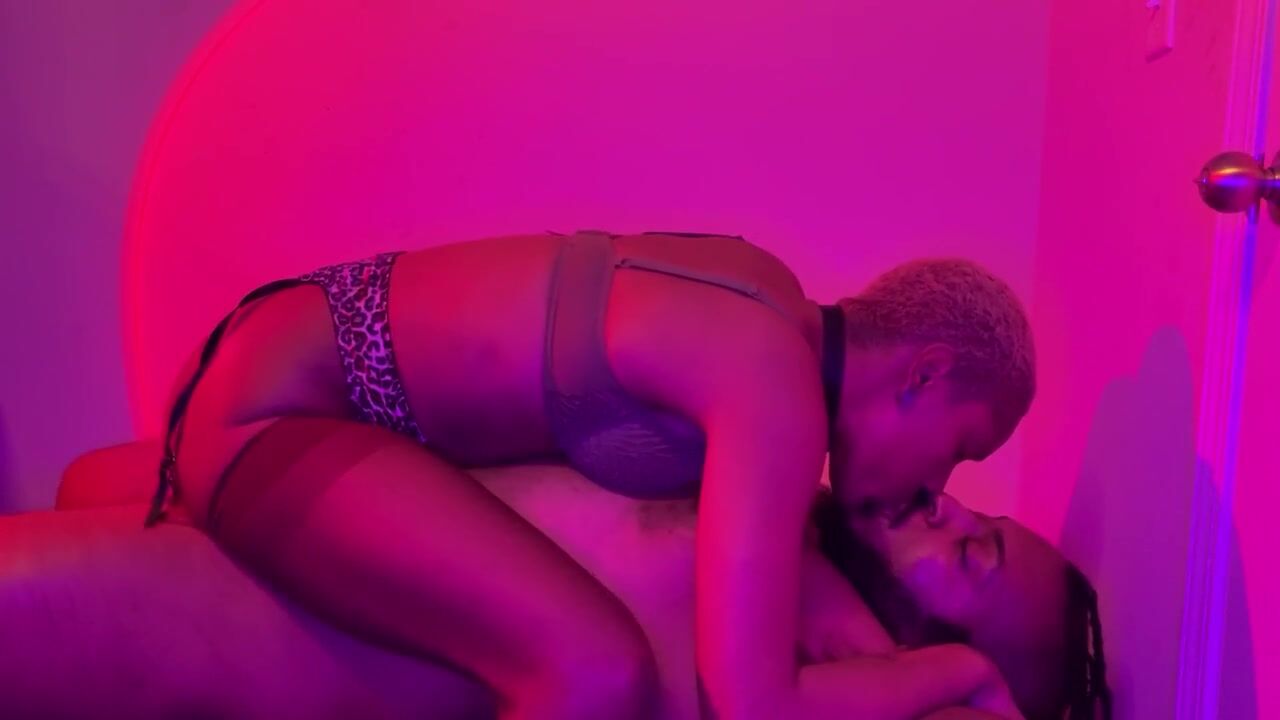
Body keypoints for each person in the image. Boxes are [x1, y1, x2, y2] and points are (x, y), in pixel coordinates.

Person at [145, 229, 1035, 719]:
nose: (939, 488)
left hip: (274, 346)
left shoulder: (766, 295)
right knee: (594, 673)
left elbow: (784, 566)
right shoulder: (777, 395)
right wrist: (958, 670)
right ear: (923, 375)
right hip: (279, 409)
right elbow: (753, 705)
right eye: (962, 448)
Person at [50, 452, 1107, 718]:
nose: (947, 506)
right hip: (249, 527)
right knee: (80, 485)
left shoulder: (801, 666)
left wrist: (964, 680)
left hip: (234, 635)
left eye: (972, 557)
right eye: (980, 517)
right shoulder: (784, 506)